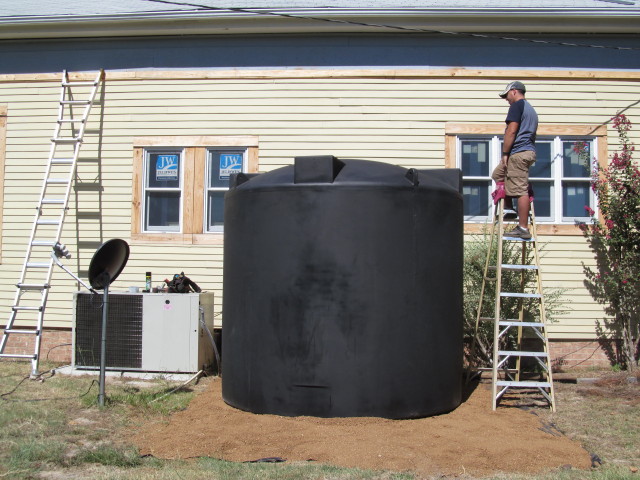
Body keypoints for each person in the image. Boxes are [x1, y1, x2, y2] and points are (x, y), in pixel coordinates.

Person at [491, 80, 538, 240]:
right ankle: (509, 208)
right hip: (524, 151)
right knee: (498, 174)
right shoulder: (530, 109)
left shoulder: (517, 106)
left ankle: (523, 228)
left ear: (514, 92)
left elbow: (511, 131)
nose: (506, 99)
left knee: (520, 189)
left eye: (507, 96)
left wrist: (505, 152)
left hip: (518, 153)